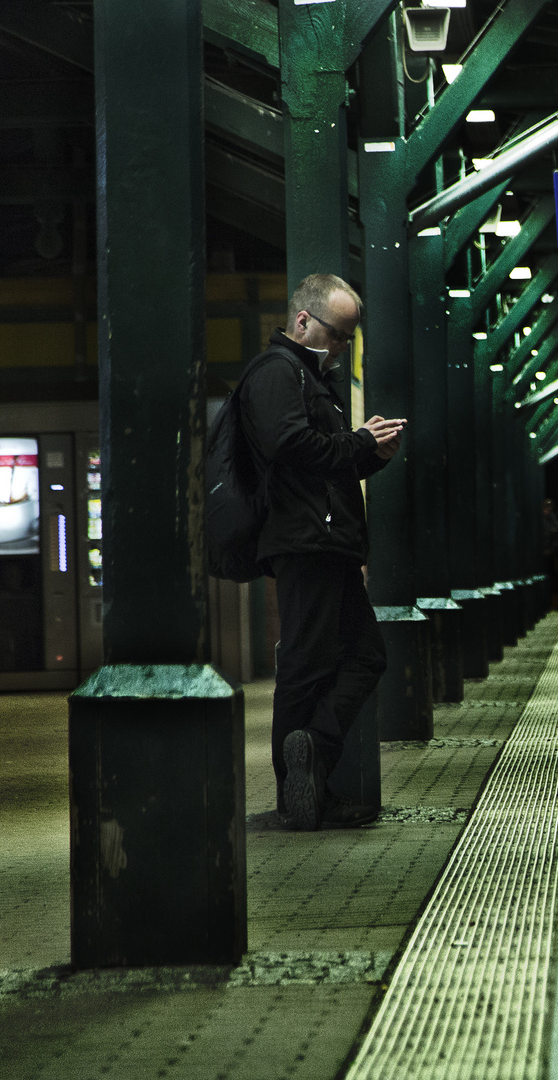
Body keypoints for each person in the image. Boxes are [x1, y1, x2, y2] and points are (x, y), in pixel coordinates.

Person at [240, 273, 405, 830]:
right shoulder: (276, 373)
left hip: (328, 543)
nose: (341, 347)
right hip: (303, 544)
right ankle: (297, 800)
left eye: (348, 338)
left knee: (365, 656)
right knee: (305, 669)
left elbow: (327, 461)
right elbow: (288, 445)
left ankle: (312, 748)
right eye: (336, 334)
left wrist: (370, 454)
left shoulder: (311, 378)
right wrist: (355, 443)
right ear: (303, 321)